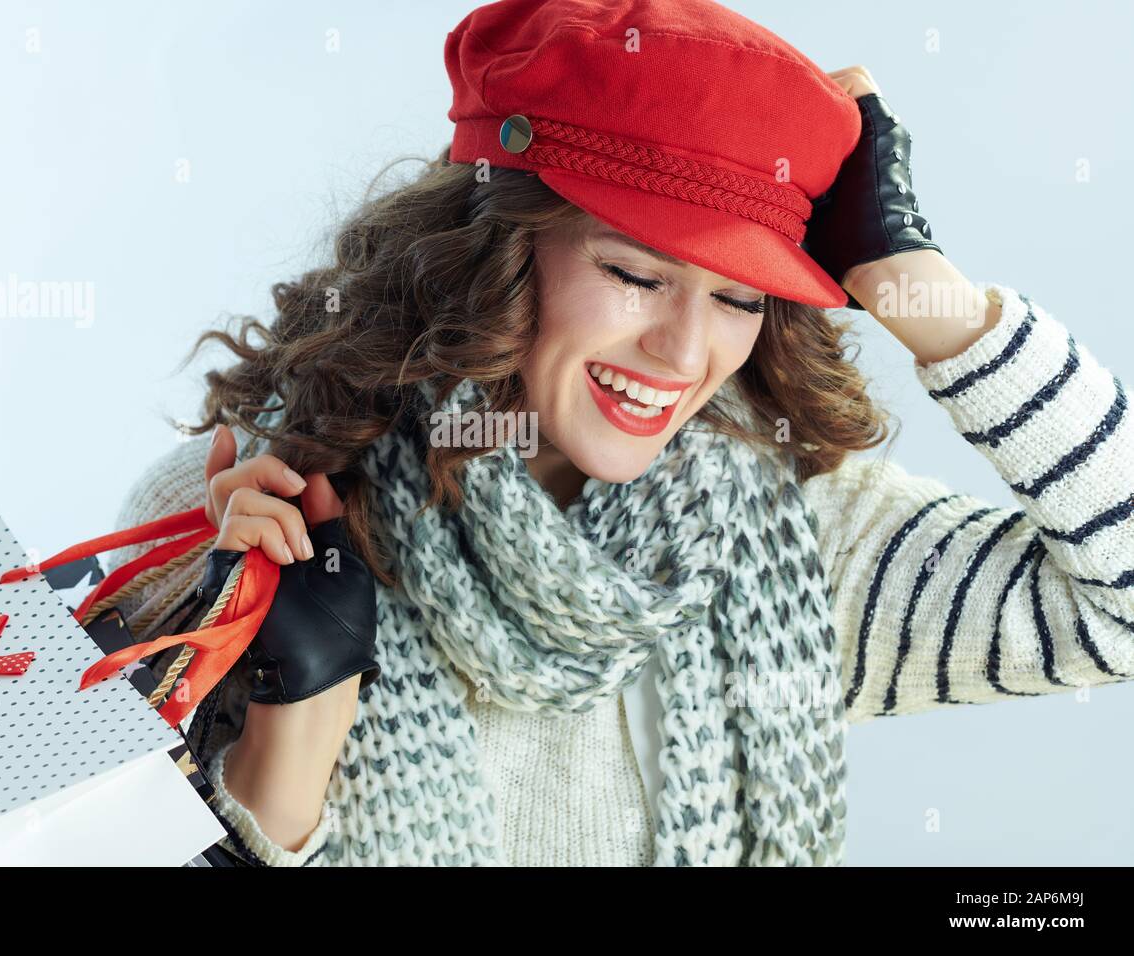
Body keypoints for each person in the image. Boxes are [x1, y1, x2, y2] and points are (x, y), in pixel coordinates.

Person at [108, 0, 1134, 866]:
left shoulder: (806, 543)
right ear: (491, 254)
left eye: (739, 298)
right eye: (634, 275)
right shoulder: (245, 516)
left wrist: (920, 284)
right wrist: (292, 720)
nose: (684, 352)